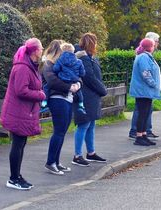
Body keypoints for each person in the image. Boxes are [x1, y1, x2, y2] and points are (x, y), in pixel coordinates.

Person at [1, 38, 46, 190]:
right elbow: (21, 90)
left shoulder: (30, 66)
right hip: (18, 113)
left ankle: (17, 176)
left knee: (21, 144)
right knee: (17, 145)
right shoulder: (22, 68)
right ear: (34, 51)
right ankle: (13, 178)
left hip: (23, 113)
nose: (42, 50)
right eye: (40, 48)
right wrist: (40, 95)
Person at [44, 40, 80, 175]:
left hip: (68, 99)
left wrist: (78, 84)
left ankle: (56, 162)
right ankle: (50, 162)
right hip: (58, 99)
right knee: (59, 131)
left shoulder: (64, 64)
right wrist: (69, 87)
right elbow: (52, 81)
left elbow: (78, 75)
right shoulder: (48, 64)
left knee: (62, 131)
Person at [72, 33, 108, 167]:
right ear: (91, 44)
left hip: (92, 96)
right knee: (83, 125)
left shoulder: (91, 58)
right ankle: (77, 155)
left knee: (91, 124)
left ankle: (91, 152)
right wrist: (103, 90)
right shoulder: (83, 58)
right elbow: (90, 78)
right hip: (85, 96)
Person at [128, 32, 160, 140]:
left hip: (145, 90)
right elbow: (146, 73)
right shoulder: (143, 57)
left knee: (145, 112)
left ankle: (144, 134)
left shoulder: (145, 56)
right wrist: (154, 84)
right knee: (142, 113)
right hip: (143, 90)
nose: (155, 45)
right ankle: (139, 136)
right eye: (153, 44)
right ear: (149, 47)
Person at [42, 43, 86, 114]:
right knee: (79, 92)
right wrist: (77, 82)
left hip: (63, 78)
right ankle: (81, 104)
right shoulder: (78, 61)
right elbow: (82, 73)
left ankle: (44, 103)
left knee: (46, 87)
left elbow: (56, 69)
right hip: (73, 81)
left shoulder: (59, 60)